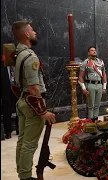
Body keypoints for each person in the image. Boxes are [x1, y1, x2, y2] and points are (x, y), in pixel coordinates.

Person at [11, 21, 56, 180]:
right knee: (30, 144)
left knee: (22, 141)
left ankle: (22, 173)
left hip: (22, 102)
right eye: (32, 30)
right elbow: (33, 87)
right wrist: (42, 111)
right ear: (26, 34)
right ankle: (26, 176)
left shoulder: (16, 54)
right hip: (32, 104)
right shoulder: (30, 56)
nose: (35, 32)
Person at [78, 46, 107, 121]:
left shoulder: (100, 62)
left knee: (97, 105)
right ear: (88, 53)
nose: (94, 51)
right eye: (92, 50)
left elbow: (104, 74)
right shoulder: (86, 62)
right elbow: (80, 76)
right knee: (90, 106)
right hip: (90, 85)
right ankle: (90, 123)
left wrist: (104, 87)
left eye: (95, 50)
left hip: (99, 85)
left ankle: (96, 121)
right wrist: (83, 88)